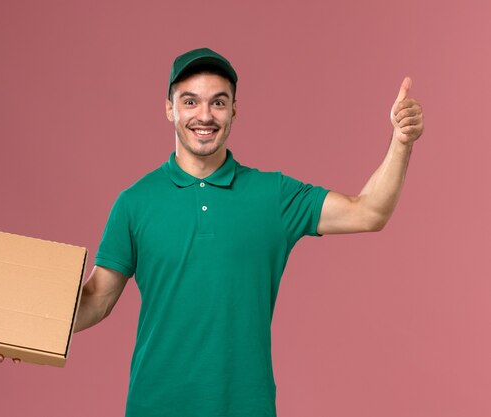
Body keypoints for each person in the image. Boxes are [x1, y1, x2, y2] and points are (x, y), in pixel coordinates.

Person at [73, 48, 424, 417]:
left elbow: (369, 212)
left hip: (245, 406)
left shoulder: (273, 196)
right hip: (155, 405)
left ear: (234, 111)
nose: (204, 115)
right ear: (169, 108)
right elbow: (96, 300)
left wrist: (401, 142)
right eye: (190, 101)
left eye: (218, 102)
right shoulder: (135, 202)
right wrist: (19, 329)